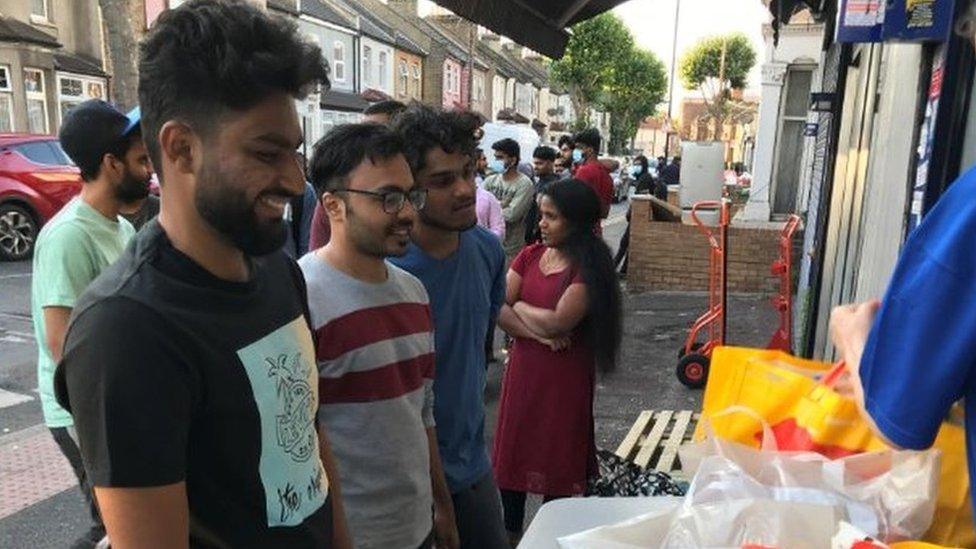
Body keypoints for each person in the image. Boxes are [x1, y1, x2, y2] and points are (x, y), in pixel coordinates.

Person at [53, 1, 348, 546]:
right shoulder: (126, 330)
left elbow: (309, 443)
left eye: (295, 152)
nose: (293, 179)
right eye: (267, 153)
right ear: (181, 148)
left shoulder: (280, 272)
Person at [301, 123, 457, 549]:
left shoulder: (413, 292)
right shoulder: (300, 300)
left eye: (411, 195)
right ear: (333, 205)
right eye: (388, 198)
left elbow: (421, 412)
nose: (408, 212)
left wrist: (442, 505)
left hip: (417, 527)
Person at [30, 98, 150, 549]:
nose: (150, 171)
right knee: (115, 526)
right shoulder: (68, 237)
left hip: (117, 402)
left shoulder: (120, 227)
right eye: (141, 161)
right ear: (111, 164)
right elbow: (63, 345)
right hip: (84, 409)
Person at [389, 104, 509, 548]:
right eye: (441, 181)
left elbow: (478, 348)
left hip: (472, 465)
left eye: (467, 173)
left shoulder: (487, 252)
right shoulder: (383, 269)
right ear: (409, 190)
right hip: (401, 481)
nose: (464, 190)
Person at [493, 179, 623, 545]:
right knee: (512, 468)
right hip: (524, 373)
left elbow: (559, 321)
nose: (541, 224)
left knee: (558, 466)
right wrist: (535, 334)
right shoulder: (529, 256)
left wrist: (519, 308)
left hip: (564, 380)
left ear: (576, 221)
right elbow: (498, 307)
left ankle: (552, 541)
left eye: (552, 217)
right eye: (542, 215)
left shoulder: (589, 268)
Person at [483, 138, 534, 261]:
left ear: (513, 160)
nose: (496, 161)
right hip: (488, 244)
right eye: (495, 157)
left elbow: (512, 215)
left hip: (510, 250)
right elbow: (480, 207)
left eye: (500, 158)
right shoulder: (490, 180)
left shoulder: (524, 184)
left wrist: (492, 207)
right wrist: (502, 204)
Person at [572, 128, 614, 220]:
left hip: (580, 227)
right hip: (595, 229)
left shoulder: (583, 171)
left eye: (579, 147)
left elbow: (574, 204)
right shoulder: (606, 175)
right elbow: (604, 213)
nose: (576, 151)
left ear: (590, 150)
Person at [525, 145, 560, 244]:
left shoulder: (555, 186)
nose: (535, 167)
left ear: (550, 164)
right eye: (534, 163)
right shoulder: (539, 182)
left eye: (540, 163)